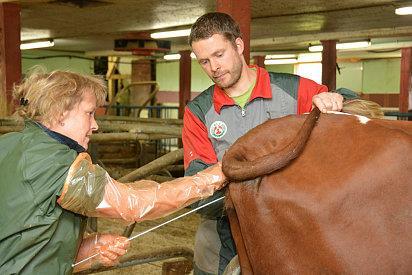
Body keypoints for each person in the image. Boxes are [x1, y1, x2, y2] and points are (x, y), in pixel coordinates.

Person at [0, 68, 227, 274]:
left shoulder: (9, 143)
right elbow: (135, 203)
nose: (95, 125)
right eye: (89, 113)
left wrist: (88, 248)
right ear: (60, 112)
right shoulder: (55, 161)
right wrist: (213, 176)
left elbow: (22, 232)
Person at [182, 12, 344, 275]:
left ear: (238, 45)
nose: (213, 67)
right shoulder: (198, 111)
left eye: (219, 54)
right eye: (204, 61)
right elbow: (198, 191)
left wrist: (336, 98)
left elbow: (350, 104)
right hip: (223, 244)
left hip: (287, 237)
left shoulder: (292, 90)